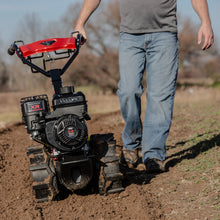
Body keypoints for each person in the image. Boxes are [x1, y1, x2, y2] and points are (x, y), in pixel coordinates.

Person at [73, 0, 214, 173]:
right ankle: (131, 144)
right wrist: (80, 23)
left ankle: (153, 154)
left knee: (160, 96)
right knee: (128, 90)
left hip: (164, 35)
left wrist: (205, 22)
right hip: (130, 36)